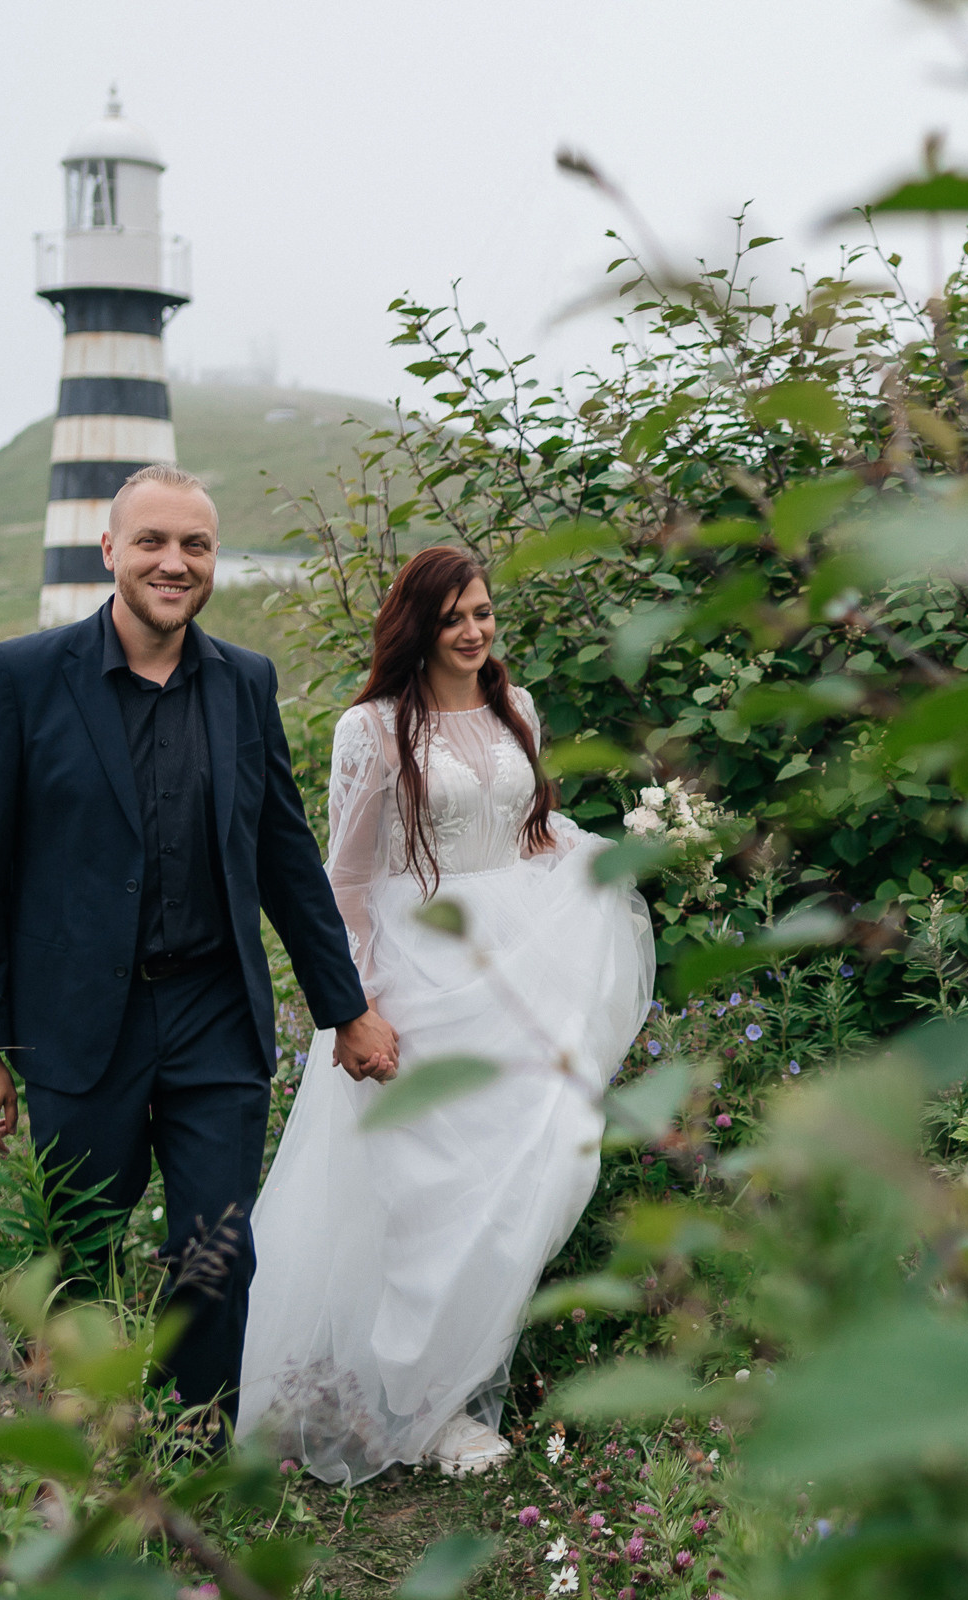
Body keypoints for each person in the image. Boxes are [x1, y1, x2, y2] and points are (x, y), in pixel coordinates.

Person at [0, 463, 401, 1426]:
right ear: (110, 550)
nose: (174, 561)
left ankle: (196, 1467)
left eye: (195, 545)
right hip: (77, 1025)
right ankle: (87, 1461)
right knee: (81, 1255)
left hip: (212, 1016)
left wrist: (346, 1009)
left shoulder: (245, 683)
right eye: (152, 541)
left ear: (213, 561)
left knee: (218, 1255)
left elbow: (285, 857)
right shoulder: (23, 678)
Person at [237, 545, 656, 1483]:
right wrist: (356, 1003)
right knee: (427, 1192)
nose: (474, 632)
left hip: (519, 966)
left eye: (484, 613)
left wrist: (617, 858)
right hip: (416, 967)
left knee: (536, 1169)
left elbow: (531, 830)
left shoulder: (517, 710)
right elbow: (344, 875)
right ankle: (423, 1405)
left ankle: (464, 1362)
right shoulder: (372, 728)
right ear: (416, 625)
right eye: (454, 616)